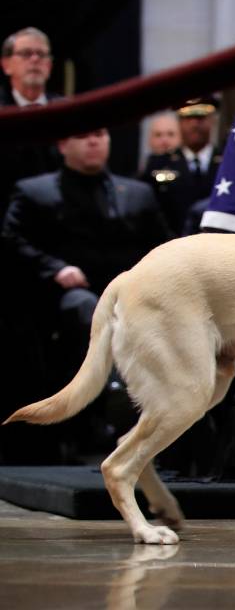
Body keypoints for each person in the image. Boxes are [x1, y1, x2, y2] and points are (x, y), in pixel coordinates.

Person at [3, 128, 171, 456]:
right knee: (87, 309)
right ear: (63, 143)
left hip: (132, 293)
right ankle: (102, 404)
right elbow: (12, 240)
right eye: (83, 135)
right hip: (62, 297)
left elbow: (166, 244)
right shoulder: (34, 192)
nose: (94, 142)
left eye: (100, 135)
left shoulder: (137, 193)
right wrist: (55, 268)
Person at [139, 97, 222, 235]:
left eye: (201, 117)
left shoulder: (227, 163)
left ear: (212, 120)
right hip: (170, 245)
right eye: (188, 118)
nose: (195, 123)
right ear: (179, 122)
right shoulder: (159, 163)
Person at [0, 27, 61, 195]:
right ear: (6, 65)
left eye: (41, 54)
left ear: (49, 65)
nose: (35, 59)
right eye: (26, 54)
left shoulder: (67, 111)